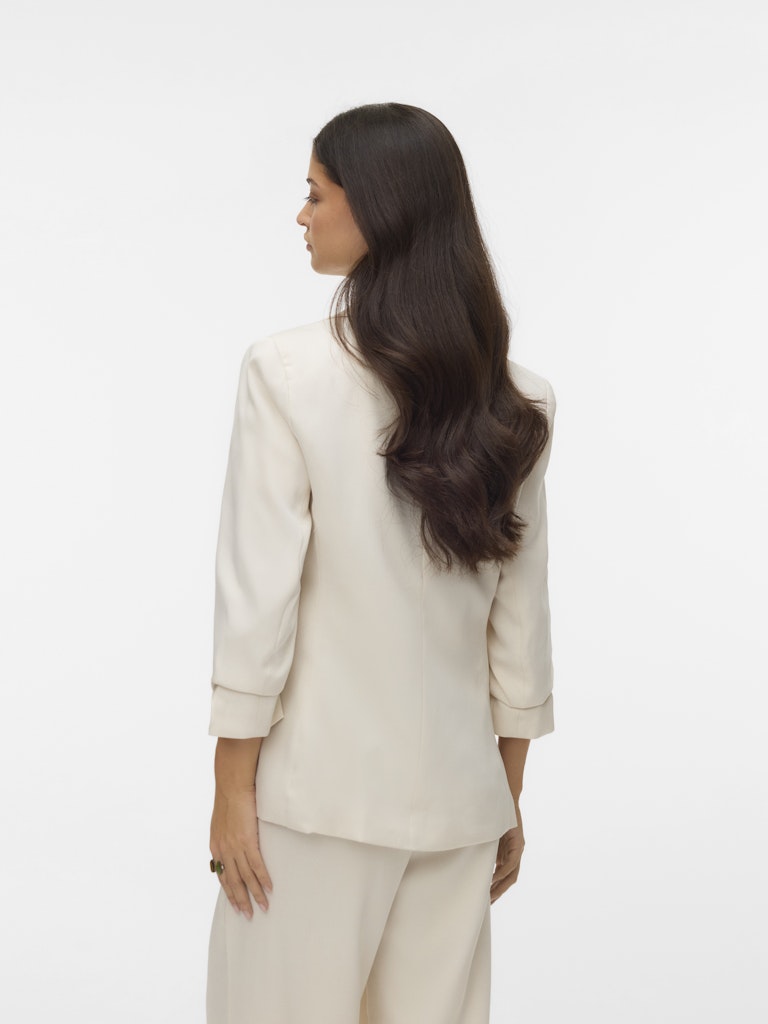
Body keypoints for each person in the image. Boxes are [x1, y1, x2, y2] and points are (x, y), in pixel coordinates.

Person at [205, 102, 556, 1024]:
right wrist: (507, 796)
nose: (301, 214)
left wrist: (231, 791)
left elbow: (258, 605)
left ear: (379, 208)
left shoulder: (285, 374)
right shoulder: (515, 400)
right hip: (460, 805)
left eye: (316, 193)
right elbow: (518, 620)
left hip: (313, 803)